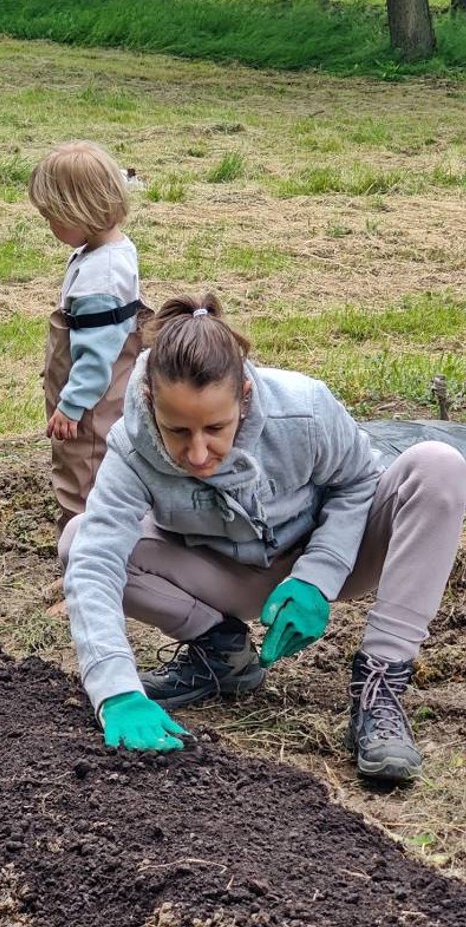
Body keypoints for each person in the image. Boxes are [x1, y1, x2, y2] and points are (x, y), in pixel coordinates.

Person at [60, 294, 466, 783]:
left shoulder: (306, 409)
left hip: (332, 558)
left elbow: (359, 482)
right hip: (223, 575)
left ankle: (380, 687)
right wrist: (116, 691)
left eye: (215, 428)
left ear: (245, 395)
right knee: (79, 538)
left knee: (438, 466)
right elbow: (96, 559)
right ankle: (223, 652)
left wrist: (318, 575)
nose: (197, 453)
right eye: (177, 431)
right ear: (150, 402)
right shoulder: (130, 446)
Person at [28, 140, 147, 537]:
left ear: (79, 210)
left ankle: (84, 572)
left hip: (91, 407)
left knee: (84, 483)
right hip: (93, 396)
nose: (49, 227)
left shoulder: (101, 276)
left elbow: (96, 353)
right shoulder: (110, 250)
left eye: (52, 217)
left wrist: (73, 403)